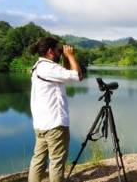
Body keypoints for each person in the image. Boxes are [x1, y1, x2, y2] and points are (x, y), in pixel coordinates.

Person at [28, 37, 83, 182]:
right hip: (55, 124)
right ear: (50, 51)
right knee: (57, 163)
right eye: (59, 50)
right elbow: (78, 76)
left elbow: (65, 74)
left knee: (38, 160)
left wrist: (65, 58)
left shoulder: (39, 66)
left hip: (41, 124)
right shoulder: (49, 68)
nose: (61, 53)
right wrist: (71, 56)